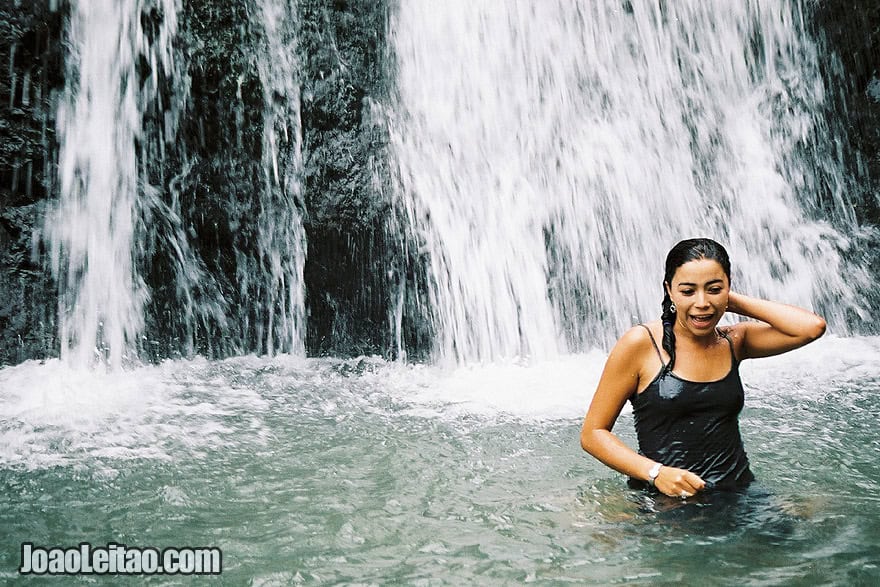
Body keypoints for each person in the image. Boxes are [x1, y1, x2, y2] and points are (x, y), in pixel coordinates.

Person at [580, 238, 826, 499]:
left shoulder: (734, 341)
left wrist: (727, 300)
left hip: (738, 493)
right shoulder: (641, 344)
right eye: (688, 291)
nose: (701, 303)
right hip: (668, 501)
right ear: (669, 291)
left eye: (714, 289)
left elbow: (811, 327)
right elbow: (593, 433)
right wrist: (656, 473)